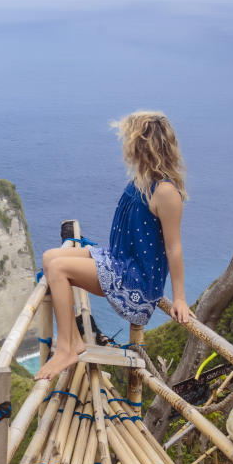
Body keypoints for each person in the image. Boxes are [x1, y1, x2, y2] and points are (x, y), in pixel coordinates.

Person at [34, 111, 195, 381]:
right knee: (50, 257)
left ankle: (65, 350)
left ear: (141, 145)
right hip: (119, 261)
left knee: (59, 268)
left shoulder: (165, 192)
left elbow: (174, 248)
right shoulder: (142, 181)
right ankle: (74, 340)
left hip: (136, 282)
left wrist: (179, 297)